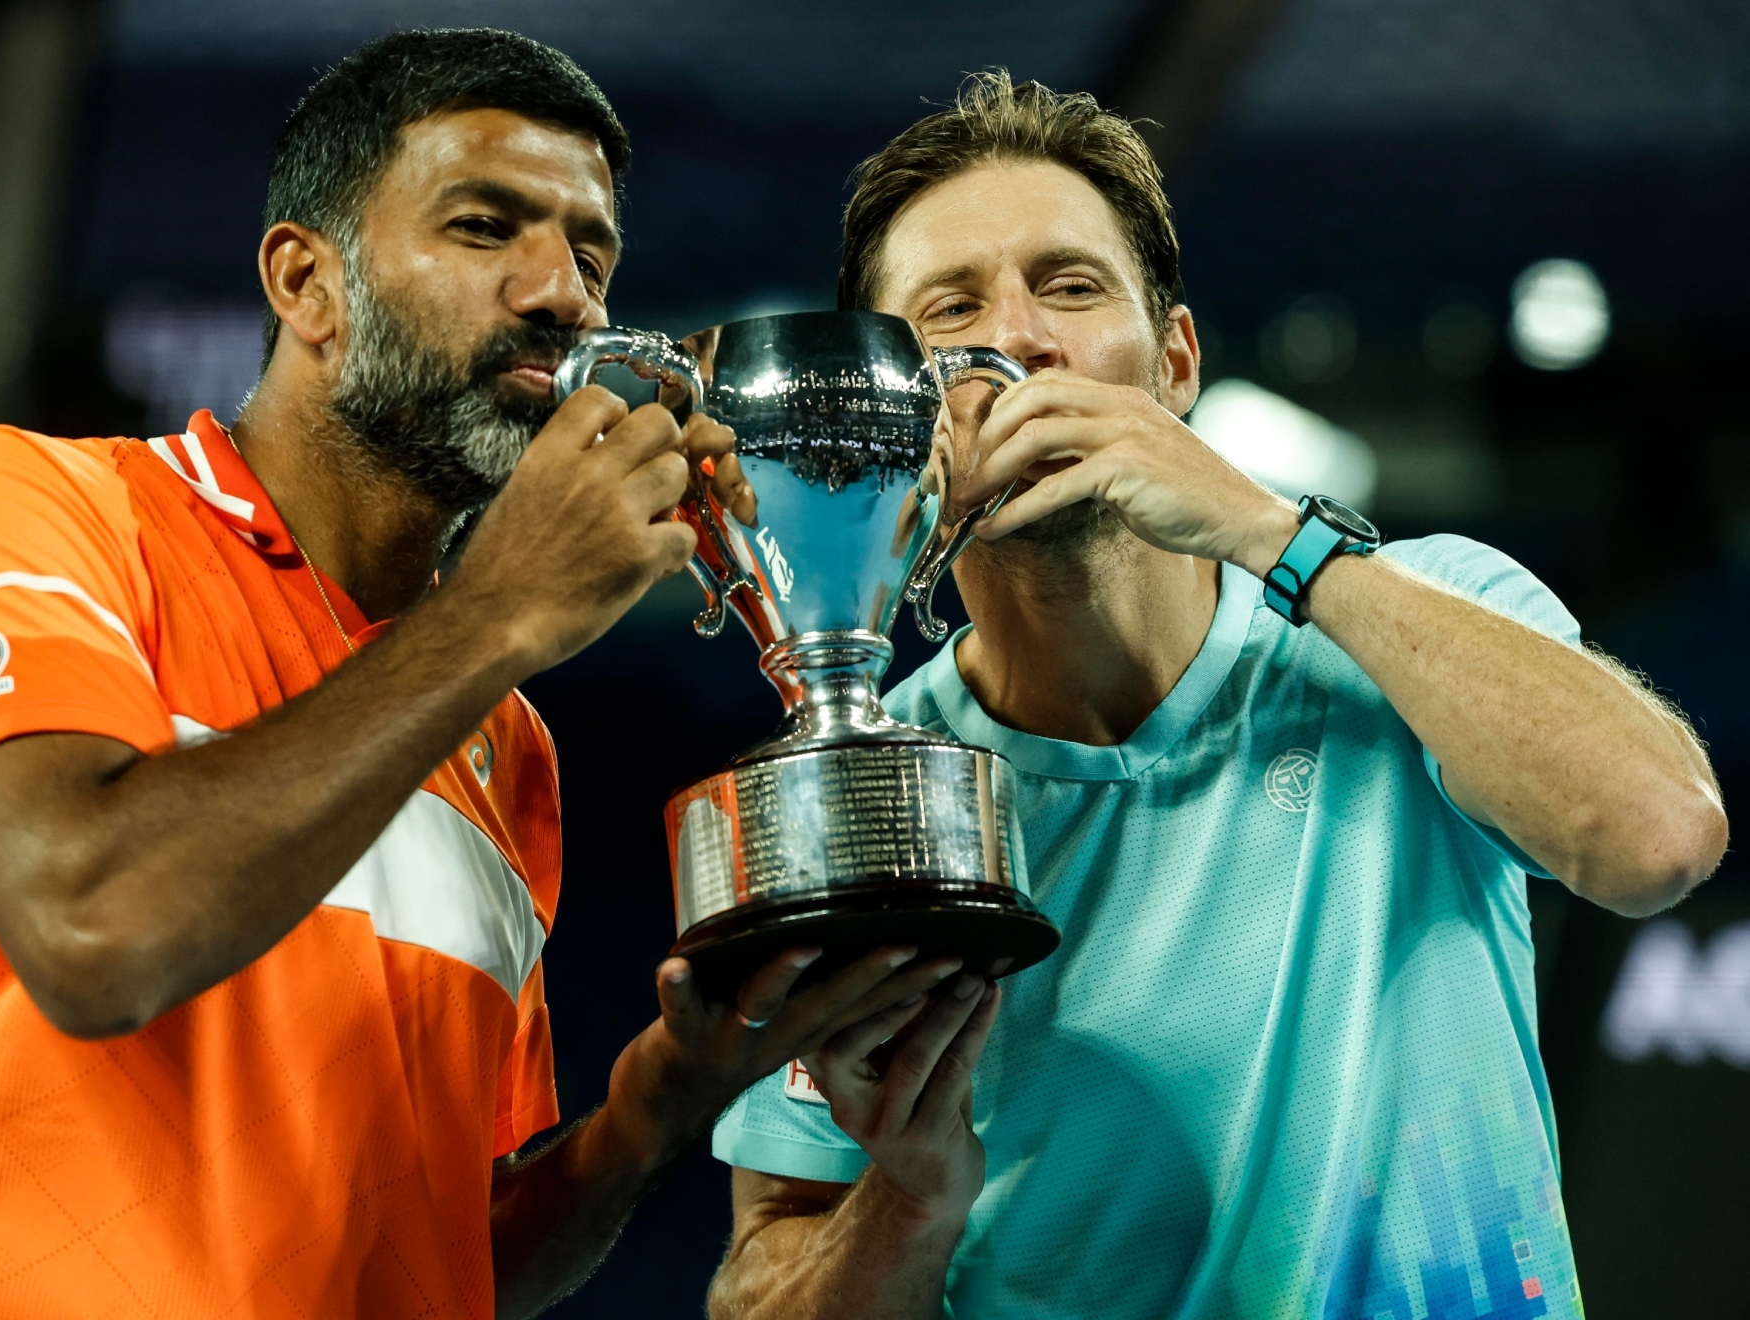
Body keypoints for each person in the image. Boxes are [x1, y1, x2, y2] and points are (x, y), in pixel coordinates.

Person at [0, 29, 952, 1320]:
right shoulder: (31, 511)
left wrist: (656, 1104)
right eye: (485, 226)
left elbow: (446, 1255)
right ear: (304, 283)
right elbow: (91, 926)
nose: (563, 294)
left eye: (590, 252)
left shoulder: (504, 740)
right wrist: (497, 611)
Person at [707, 72, 1729, 1320]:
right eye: (952, 306)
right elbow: (767, 1287)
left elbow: (1660, 840)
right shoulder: (868, 788)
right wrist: (910, 1200)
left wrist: (1268, 531)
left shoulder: (1419, 615)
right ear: (895, 405)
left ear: (1175, 361)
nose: (1020, 340)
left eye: (1071, 287)